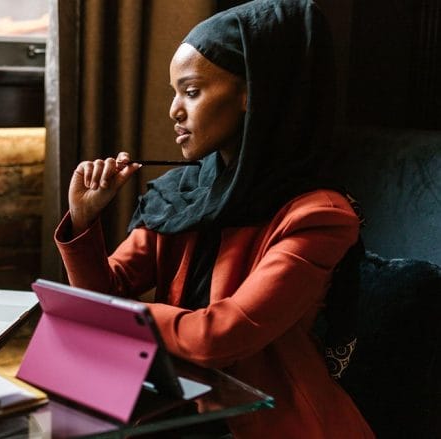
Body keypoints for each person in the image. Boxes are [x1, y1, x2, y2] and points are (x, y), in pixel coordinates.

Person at [53, 0, 375, 437]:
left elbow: (221, 337)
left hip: (269, 422)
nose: (174, 111)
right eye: (174, 92)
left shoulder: (319, 216)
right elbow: (102, 293)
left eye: (191, 91)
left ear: (253, 94)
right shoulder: (180, 194)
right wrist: (83, 221)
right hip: (172, 404)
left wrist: (117, 316)